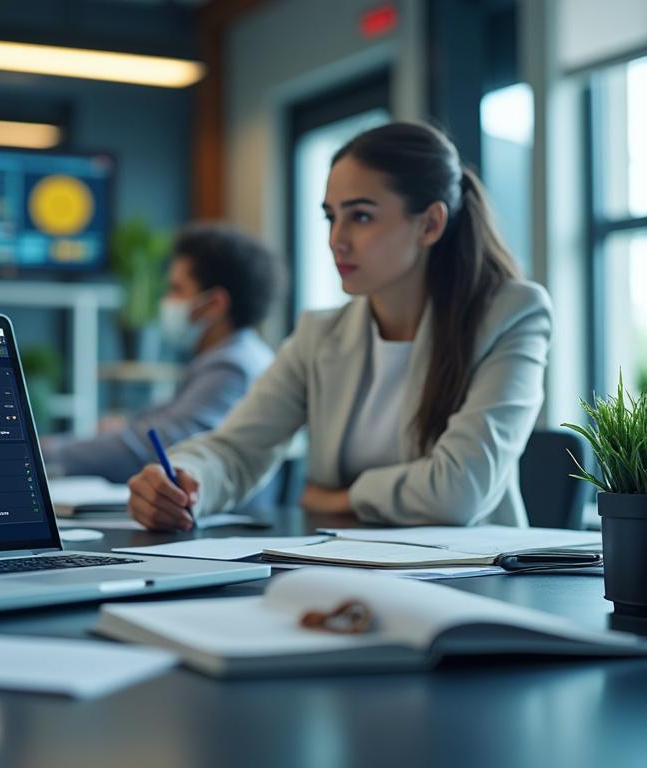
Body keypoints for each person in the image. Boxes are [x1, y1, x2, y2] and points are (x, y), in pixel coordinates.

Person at [127, 122, 552, 530]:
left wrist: (343, 497)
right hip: (345, 570)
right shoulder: (320, 335)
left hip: (475, 580)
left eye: (361, 217)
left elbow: (459, 492)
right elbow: (236, 449)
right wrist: (184, 479)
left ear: (430, 224)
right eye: (331, 217)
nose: (337, 239)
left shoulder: (512, 315)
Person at [41, 222, 280, 484]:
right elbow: (157, 424)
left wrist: (45, 452)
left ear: (214, 304)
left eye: (176, 289)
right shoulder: (229, 357)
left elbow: (148, 448)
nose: (166, 301)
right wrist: (122, 427)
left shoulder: (231, 367)